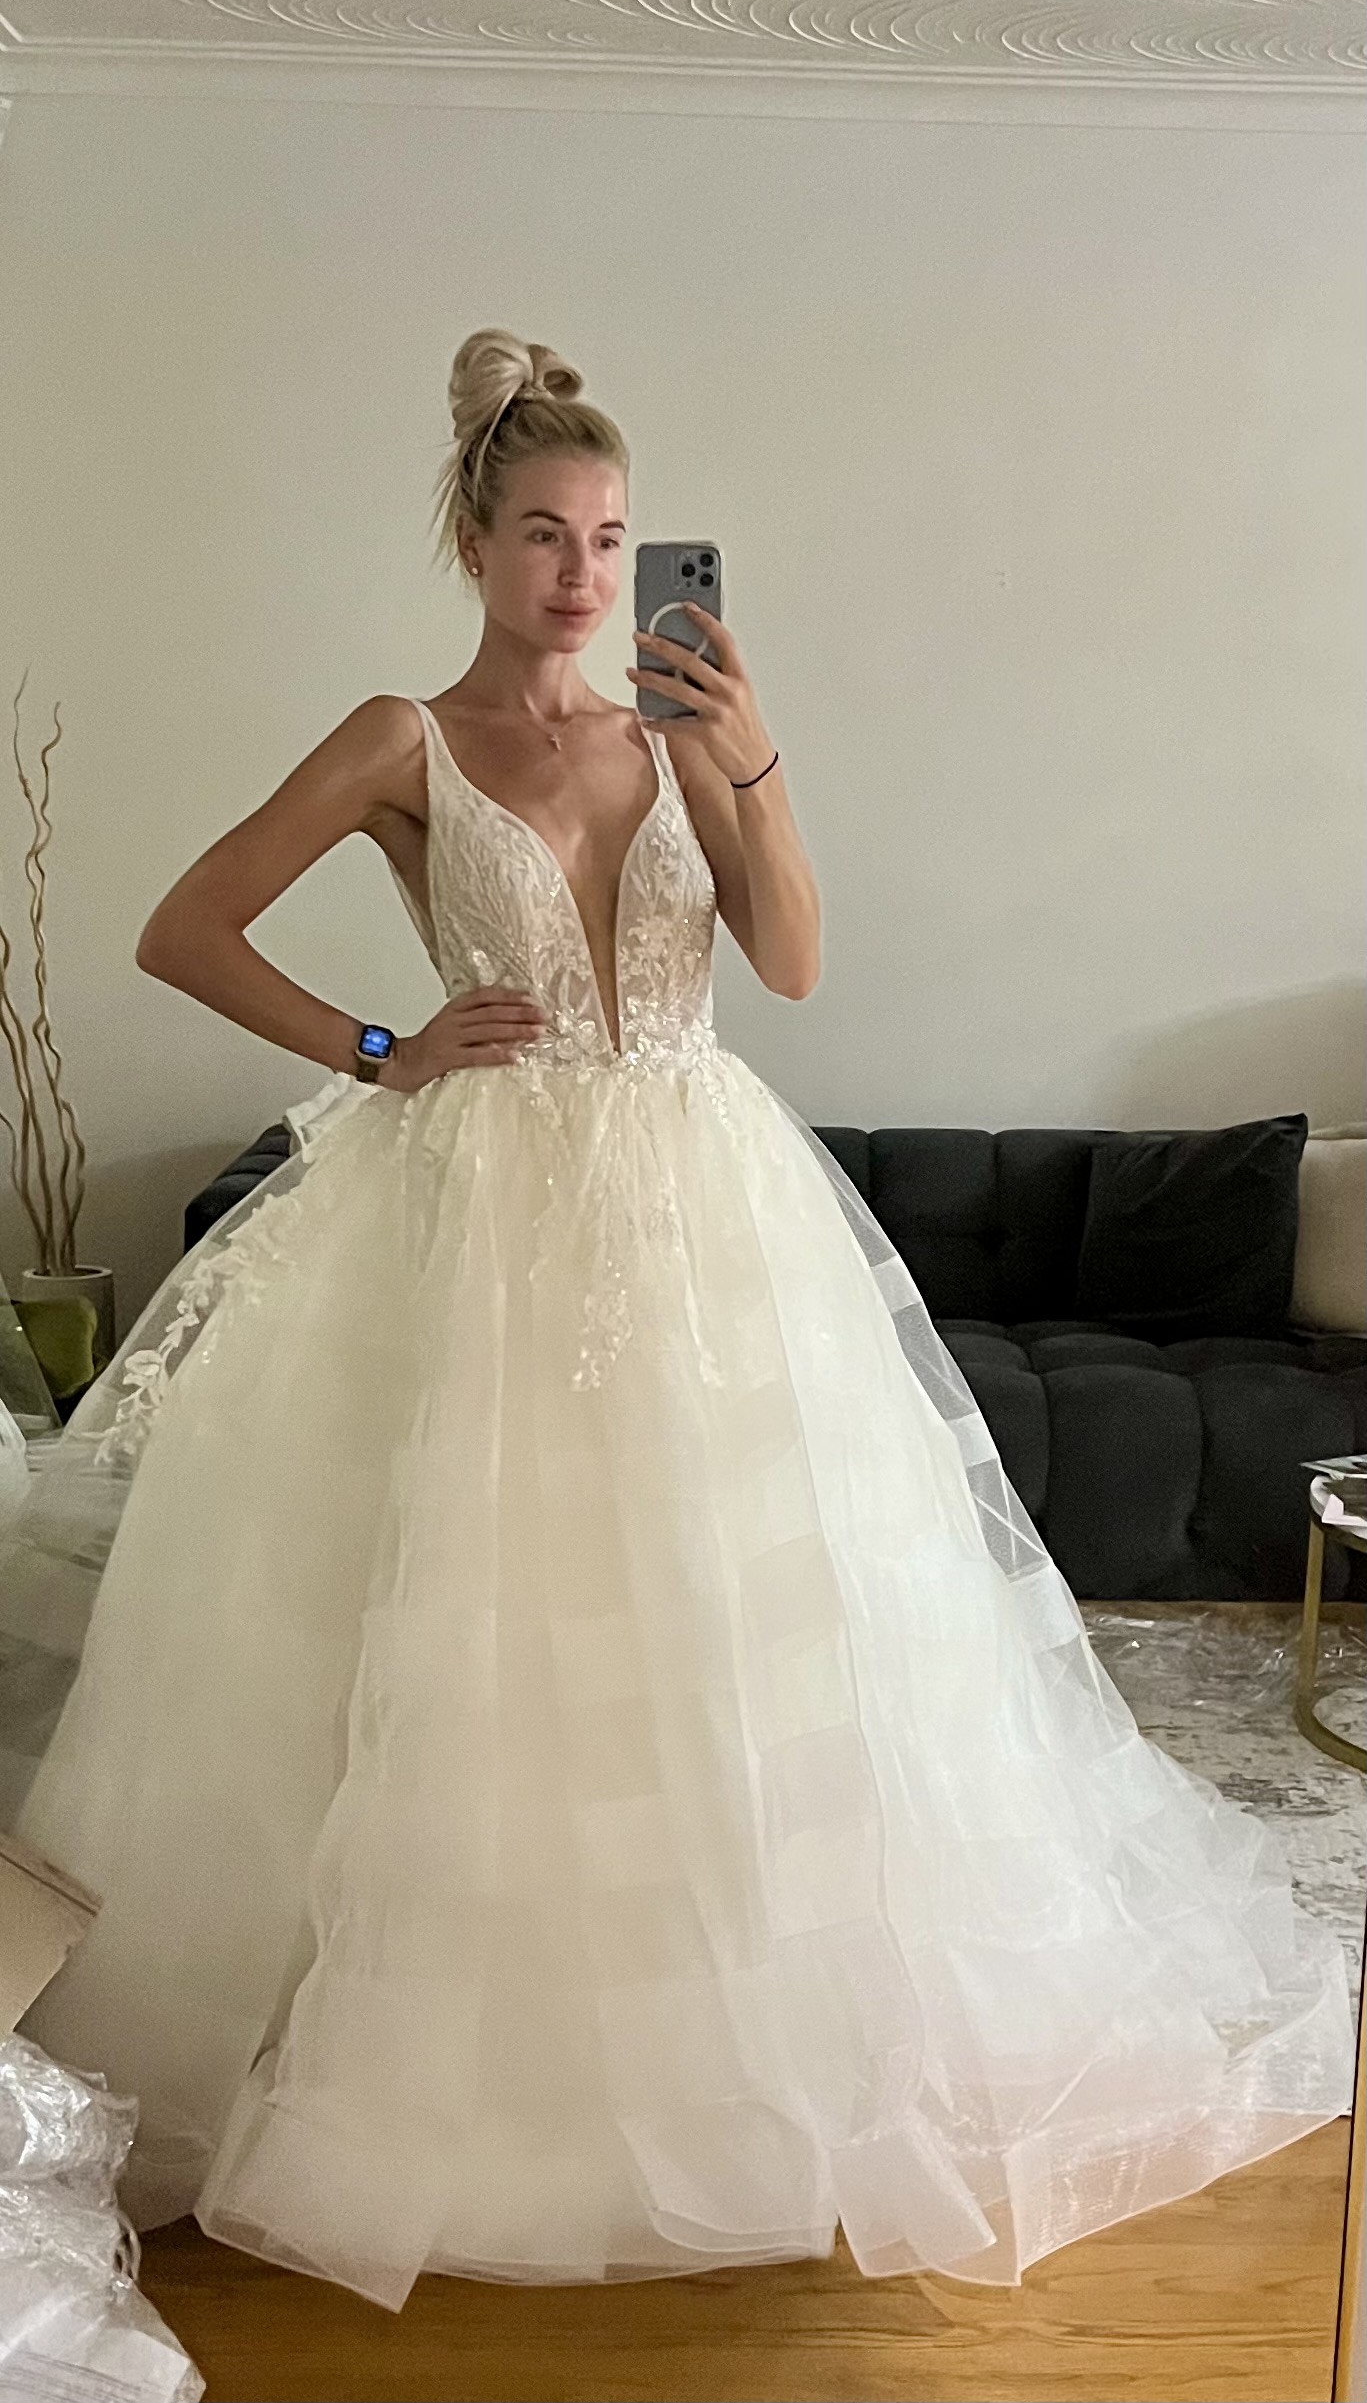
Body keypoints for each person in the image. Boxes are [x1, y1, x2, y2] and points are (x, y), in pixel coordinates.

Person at [0, 329, 1353, 2314]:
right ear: (476, 540)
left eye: (613, 537)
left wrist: (754, 751)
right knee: (469, 1609)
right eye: (546, 532)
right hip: (480, 1214)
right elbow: (181, 926)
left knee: (734, 1609)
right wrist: (378, 1046)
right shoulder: (401, 737)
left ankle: (754, 2036)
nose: (582, 571)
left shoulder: (680, 733)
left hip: (705, 1201)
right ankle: (451, 2052)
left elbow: (788, 960)